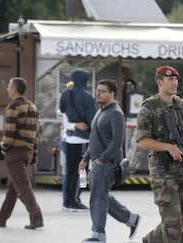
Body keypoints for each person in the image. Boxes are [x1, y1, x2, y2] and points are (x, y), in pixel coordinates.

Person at [136, 65, 183, 243]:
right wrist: (168, 147)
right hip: (162, 169)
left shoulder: (180, 105)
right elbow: (142, 141)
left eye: (176, 79)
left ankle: (152, 239)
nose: (175, 83)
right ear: (159, 82)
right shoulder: (149, 107)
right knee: (172, 222)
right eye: (170, 79)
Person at [79, 79, 140, 243]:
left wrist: (102, 159)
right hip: (96, 162)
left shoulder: (116, 113)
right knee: (101, 196)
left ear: (111, 94)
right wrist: (85, 159)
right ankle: (131, 219)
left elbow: (117, 141)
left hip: (106, 164)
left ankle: (98, 235)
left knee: (97, 198)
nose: (97, 93)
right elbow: (93, 138)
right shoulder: (101, 111)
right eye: (97, 90)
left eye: (102, 91)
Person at [0, 77, 43, 229]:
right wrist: (34, 153)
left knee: (23, 186)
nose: (7, 89)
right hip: (26, 152)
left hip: (14, 153)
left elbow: (9, 133)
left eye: (9, 86)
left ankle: (36, 218)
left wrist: (4, 147)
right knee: (14, 187)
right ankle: (1, 217)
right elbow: (35, 133)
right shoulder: (32, 106)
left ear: (14, 89)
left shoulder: (12, 107)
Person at [59, 68, 96, 211]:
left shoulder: (65, 93)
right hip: (83, 140)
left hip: (68, 138)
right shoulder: (87, 96)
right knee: (81, 172)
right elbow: (92, 120)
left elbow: (61, 110)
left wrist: (72, 124)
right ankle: (75, 201)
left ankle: (66, 202)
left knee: (69, 172)